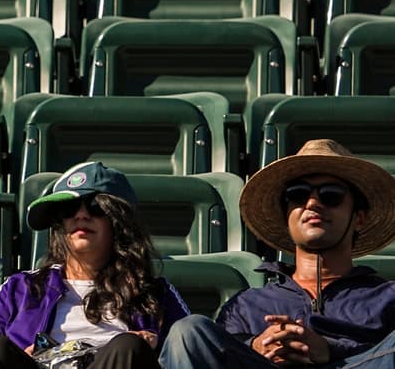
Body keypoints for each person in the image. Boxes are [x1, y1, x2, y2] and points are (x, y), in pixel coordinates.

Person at [159, 139, 395, 369]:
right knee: (188, 331)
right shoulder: (246, 305)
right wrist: (256, 346)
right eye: (298, 194)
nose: (312, 203)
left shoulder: (387, 297)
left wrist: (331, 350)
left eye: (331, 195)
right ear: (286, 216)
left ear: (358, 218)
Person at [0, 161, 190, 369]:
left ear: (119, 221)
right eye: (69, 209)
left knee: (127, 346)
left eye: (95, 206)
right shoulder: (19, 289)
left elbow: (188, 354)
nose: (81, 215)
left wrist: (154, 347)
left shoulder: (154, 293)